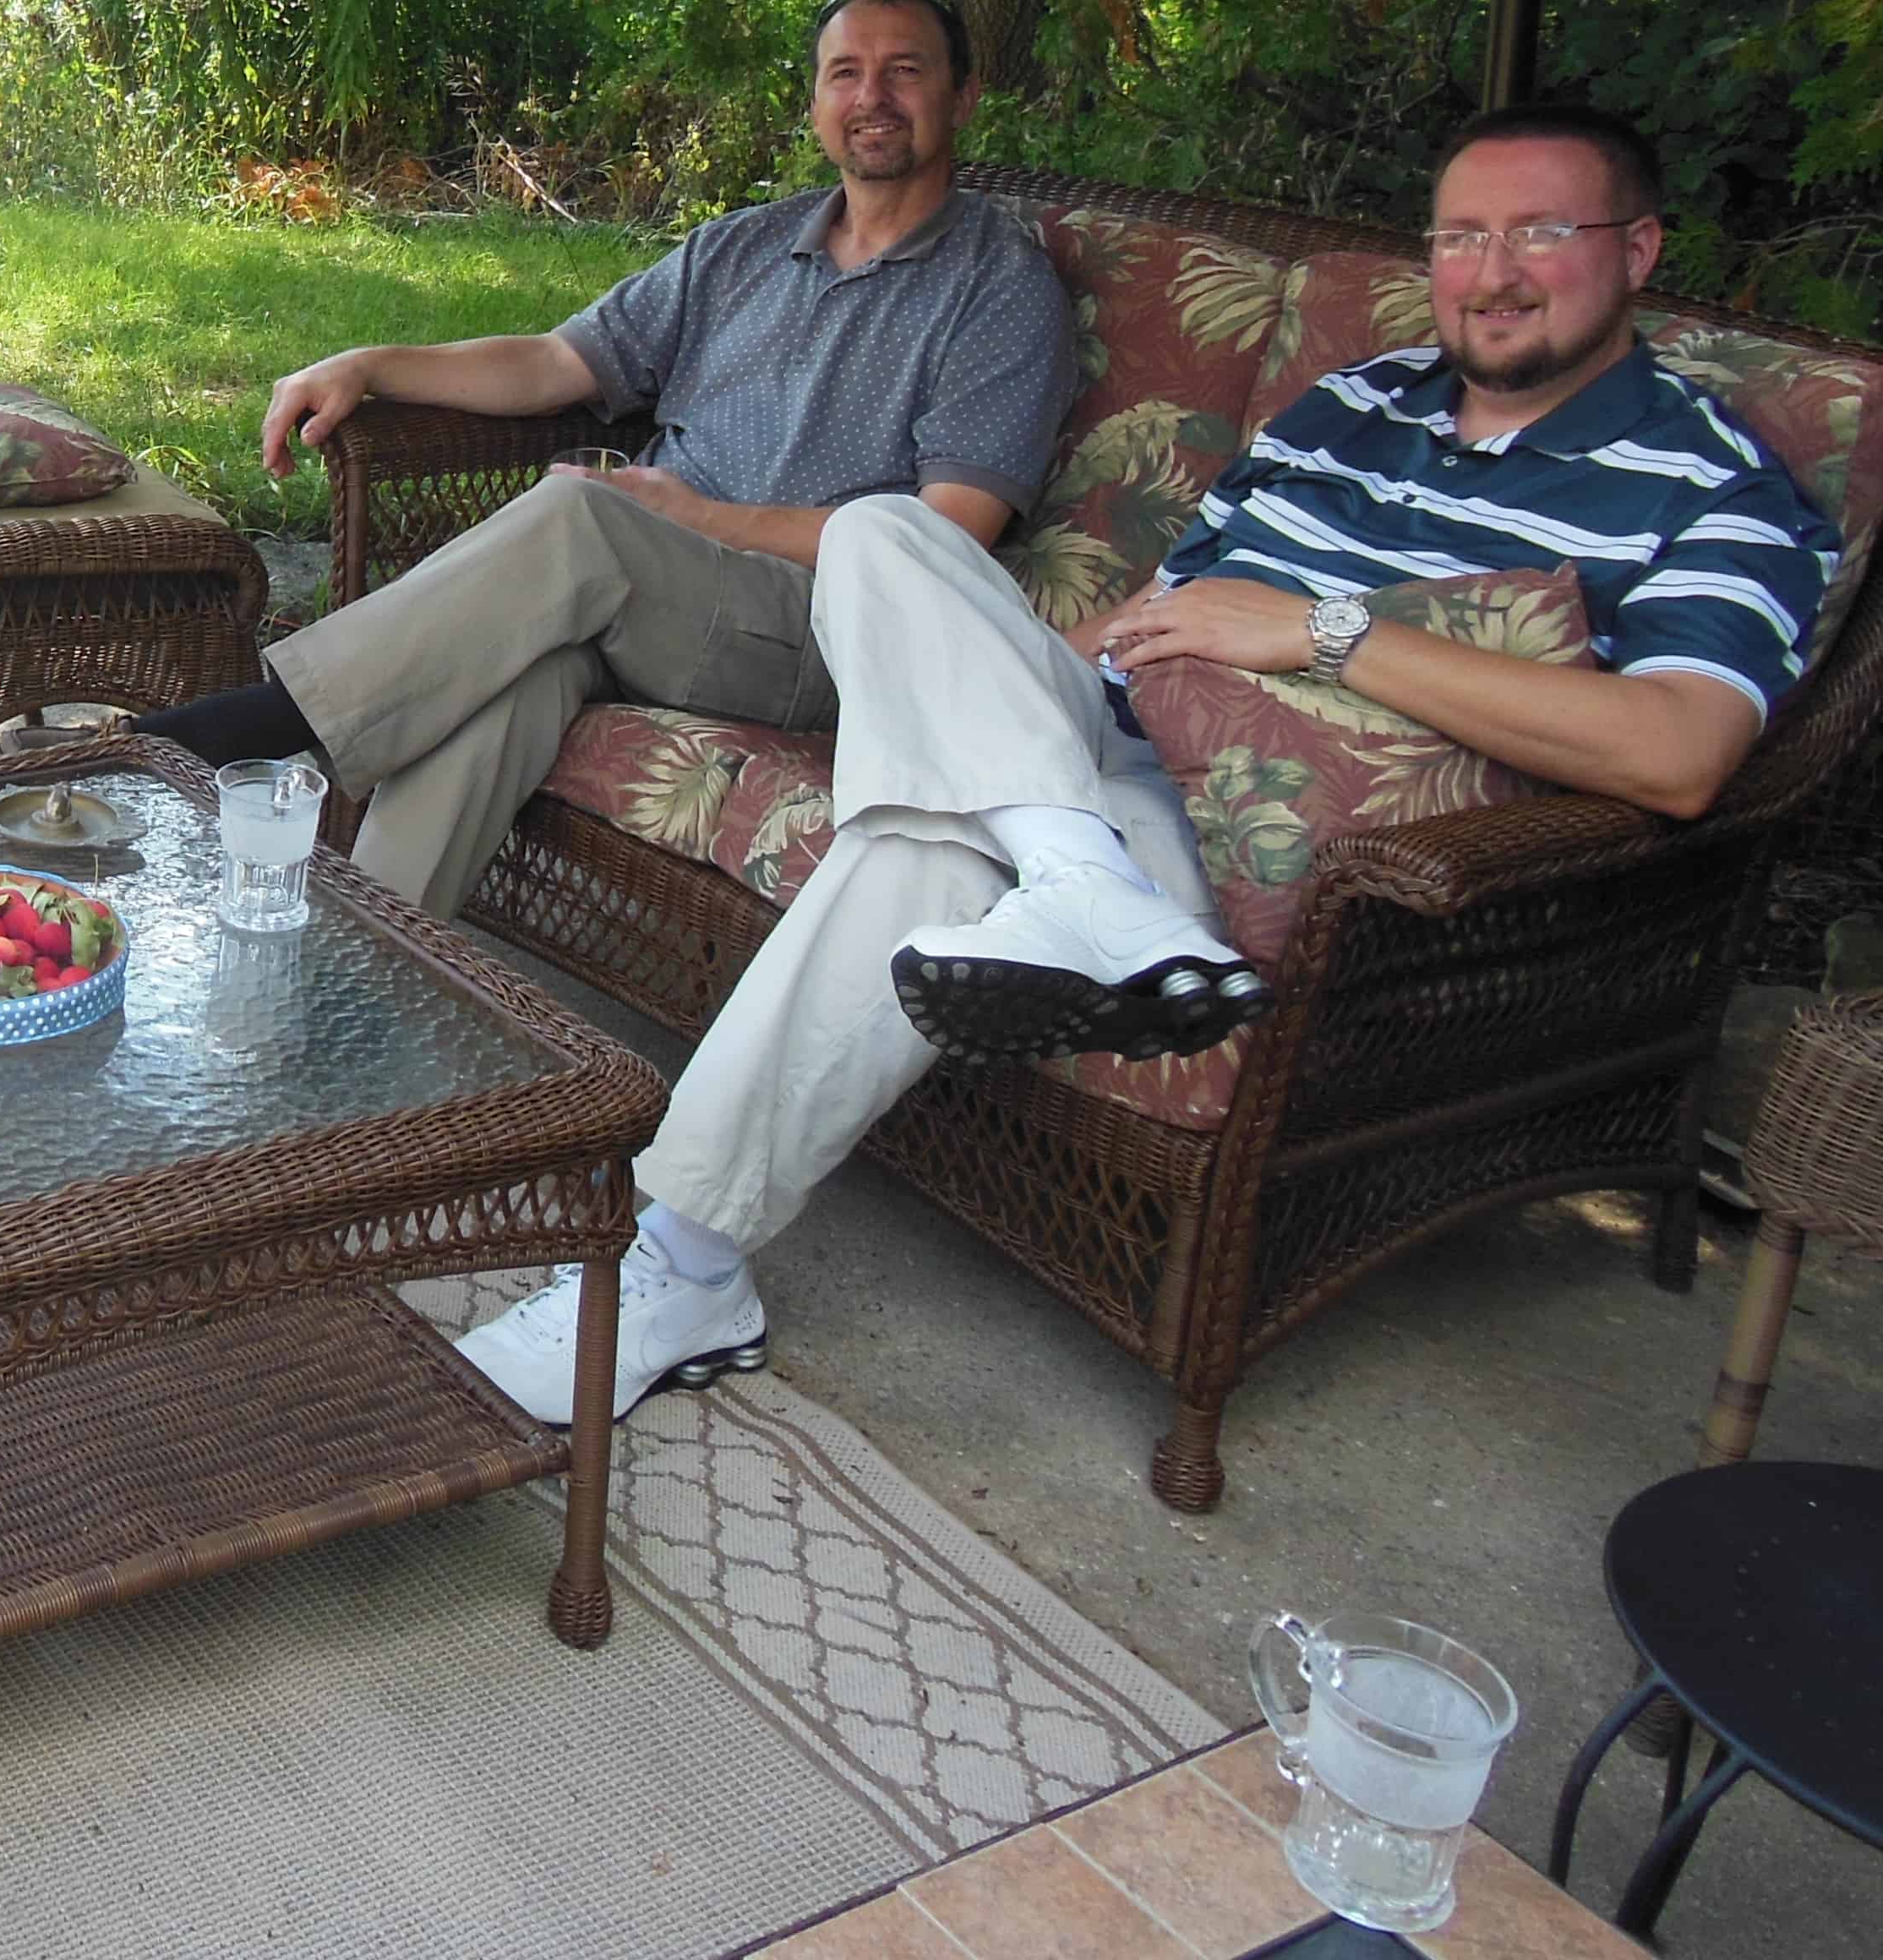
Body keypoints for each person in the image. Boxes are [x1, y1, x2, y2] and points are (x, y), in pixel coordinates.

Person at [445, 100, 1842, 1431]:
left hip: (1261, 838)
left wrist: (1325, 633)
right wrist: (994, 685)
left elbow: (1678, 753)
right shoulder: (1355, 405)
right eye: (1461, 236)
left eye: (1540, 234)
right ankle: (1070, 876)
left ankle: (682, 1261)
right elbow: (1161, 616)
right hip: (1113, 745)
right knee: (885, 537)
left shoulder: (1712, 486)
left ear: (1636, 250)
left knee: (919, 848)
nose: (1493, 274)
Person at [140, 0, 1080, 917]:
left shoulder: (998, 287)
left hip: (826, 627)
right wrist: (372, 364)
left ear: (963, 96)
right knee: (503, 684)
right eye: (845, 73)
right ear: (816, 102)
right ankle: (370, 968)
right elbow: (556, 361)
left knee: (585, 514)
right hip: (650, 597)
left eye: (904, 70)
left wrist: (700, 518)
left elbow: (947, 534)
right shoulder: (744, 249)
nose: (871, 96)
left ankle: (233, 731)